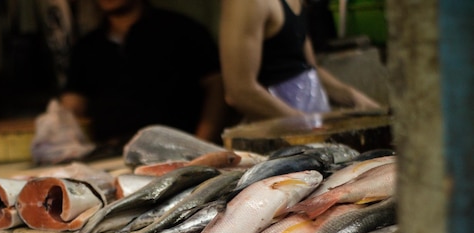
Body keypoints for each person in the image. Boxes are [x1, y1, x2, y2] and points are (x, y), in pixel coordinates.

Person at [59, 0, 227, 147]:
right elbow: (73, 104)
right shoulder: (86, 46)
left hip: (179, 150)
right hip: (110, 155)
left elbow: (216, 87)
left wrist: (201, 144)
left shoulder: (182, 29)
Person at [219, 0, 381, 122]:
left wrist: (354, 97)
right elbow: (240, 91)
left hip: (310, 127)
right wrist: (307, 124)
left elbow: (308, 67)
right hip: (278, 138)